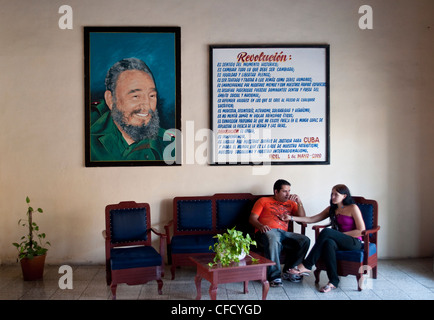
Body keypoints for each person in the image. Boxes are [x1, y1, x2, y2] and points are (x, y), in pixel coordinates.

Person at [90, 57, 175, 161]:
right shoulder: (87, 134)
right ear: (110, 100)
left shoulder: (170, 145)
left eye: (152, 96)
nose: (147, 106)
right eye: (136, 96)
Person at [287, 184, 366, 293]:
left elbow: (361, 230)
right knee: (329, 242)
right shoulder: (332, 209)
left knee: (327, 232)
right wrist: (291, 218)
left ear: (344, 196)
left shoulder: (353, 208)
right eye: (332, 194)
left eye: (336, 194)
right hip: (339, 241)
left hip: (354, 241)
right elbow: (312, 219)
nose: (332, 197)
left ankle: (307, 264)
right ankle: (333, 282)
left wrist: (340, 235)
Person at [249, 179, 311, 287]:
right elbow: (252, 218)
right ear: (276, 192)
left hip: (284, 234)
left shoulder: (291, 203)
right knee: (273, 237)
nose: (288, 194)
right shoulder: (263, 201)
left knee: (305, 240)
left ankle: (290, 271)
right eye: (285, 191)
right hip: (266, 233)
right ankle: (274, 276)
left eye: (289, 191)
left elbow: (302, 219)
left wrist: (299, 203)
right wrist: (261, 226)